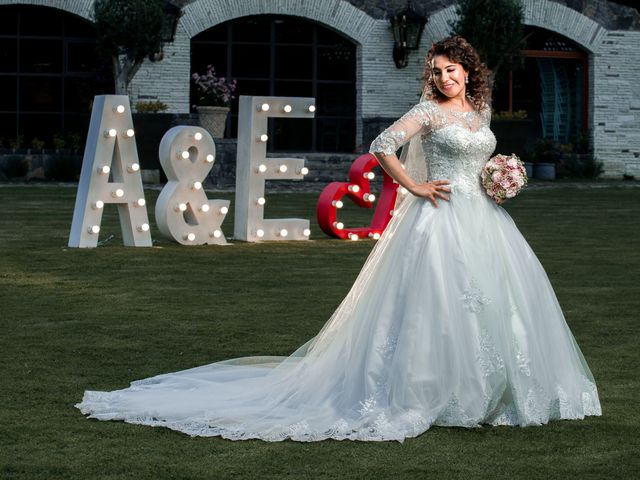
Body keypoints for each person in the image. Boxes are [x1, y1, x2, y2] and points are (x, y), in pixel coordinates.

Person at [76, 36, 601, 442]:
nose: (443, 78)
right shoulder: (426, 112)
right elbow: (382, 144)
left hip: (484, 217)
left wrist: (498, 177)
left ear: (468, 71)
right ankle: (432, 393)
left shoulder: (481, 112)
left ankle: (494, 392)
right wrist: (415, 185)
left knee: (496, 303)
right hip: (438, 216)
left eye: (451, 70)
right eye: (436, 71)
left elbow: (478, 156)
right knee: (439, 303)